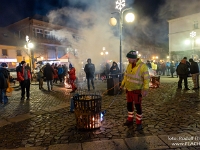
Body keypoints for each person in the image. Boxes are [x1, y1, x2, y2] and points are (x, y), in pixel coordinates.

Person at [120, 50, 150, 130]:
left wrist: (145, 89)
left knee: (137, 106)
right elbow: (126, 76)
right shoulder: (129, 65)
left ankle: (138, 123)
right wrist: (122, 84)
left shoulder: (143, 66)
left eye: (129, 58)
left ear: (134, 58)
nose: (128, 60)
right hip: (129, 90)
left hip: (137, 90)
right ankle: (130, 120)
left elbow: (147, 79)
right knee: (129, 105)